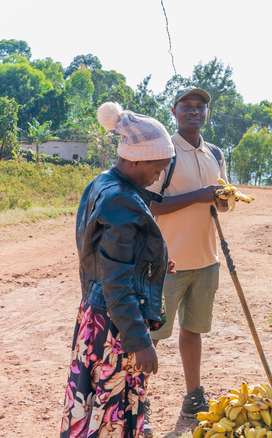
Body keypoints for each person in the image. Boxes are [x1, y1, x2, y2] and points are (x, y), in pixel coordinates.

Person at [60, 102, 174, 438]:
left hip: (97, 316)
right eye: (157, 168)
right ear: (137, 158)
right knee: (112, 413)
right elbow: (116, 280)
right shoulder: (122, 200)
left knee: (93, 405)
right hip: (115, 326)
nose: (158, 176)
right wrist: (139, 341)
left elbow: (103, 256)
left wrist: (150, 263)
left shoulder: (102, 183)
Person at [147, 88, 229, 421]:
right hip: (167, 263)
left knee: (192, 332)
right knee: (150, 335)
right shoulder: (164, 153)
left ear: (206, 114)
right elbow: (151, 204)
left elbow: (220, 199)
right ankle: (136, 401)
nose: (194, 111)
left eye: (200, 107)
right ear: (174, 111)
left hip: (207, 260)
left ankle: (194, 396)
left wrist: (222, 200)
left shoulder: (215, 153)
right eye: (187, 106)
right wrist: (199, 195)